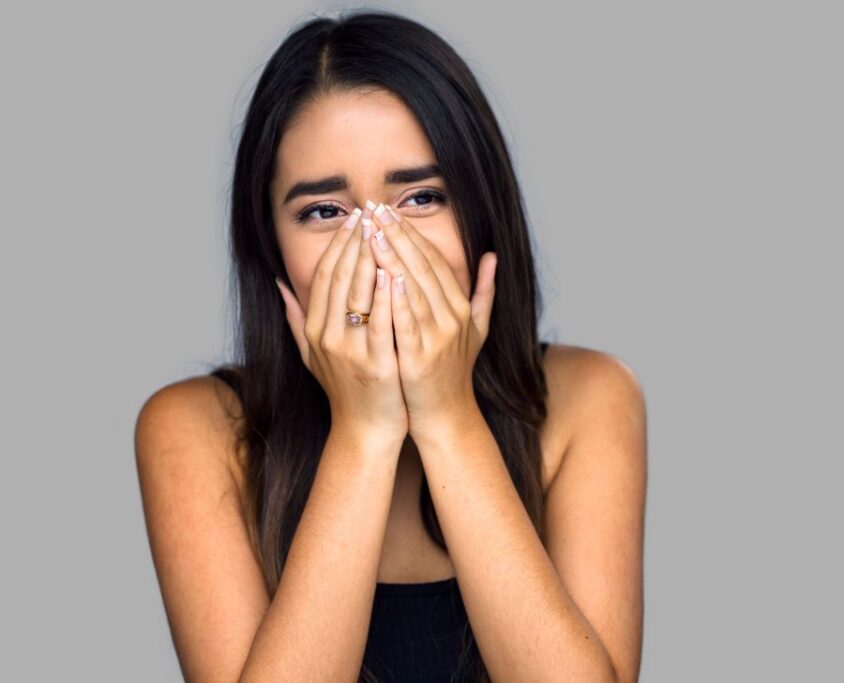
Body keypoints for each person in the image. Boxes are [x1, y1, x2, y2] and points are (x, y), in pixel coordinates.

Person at [134, 9, 646, 683]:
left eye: (422, 197)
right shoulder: (193, 430)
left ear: (482, 211)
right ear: (272, 247)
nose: (380, 249)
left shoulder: (590, 398)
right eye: (324, 211)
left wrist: (447, 415)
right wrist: (366, 429)